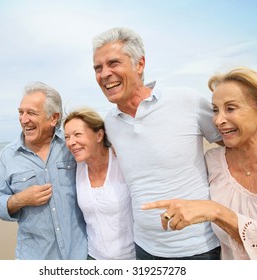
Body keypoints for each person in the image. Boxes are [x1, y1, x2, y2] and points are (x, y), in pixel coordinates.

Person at [142, 67, 257, 259]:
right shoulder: (213, 161)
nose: (218, 120)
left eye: (231, 108)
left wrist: (216, 212)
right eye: (215, 110)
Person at [92, 27, 222, 259]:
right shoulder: (110, 123)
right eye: (98, 68)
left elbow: (237, 143)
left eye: (113, 63)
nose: (104, 74)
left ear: (139, 64)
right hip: (143, 248)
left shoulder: (186, 100)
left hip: (198, 248)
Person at [0, 82, 87, 260]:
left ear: (54, 118)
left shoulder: (72, 146)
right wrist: (19, 200)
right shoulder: (8, 156)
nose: (24, 120)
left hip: (80, 255)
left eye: (31, 113)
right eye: (21, 112)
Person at [63, 108, 135, 260]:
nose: (71, 143)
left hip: (132, 257)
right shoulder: (76, 167)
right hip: (94, 258)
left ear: (99, 135)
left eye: (77, 134)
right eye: (67, 137)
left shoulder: (122, 161)